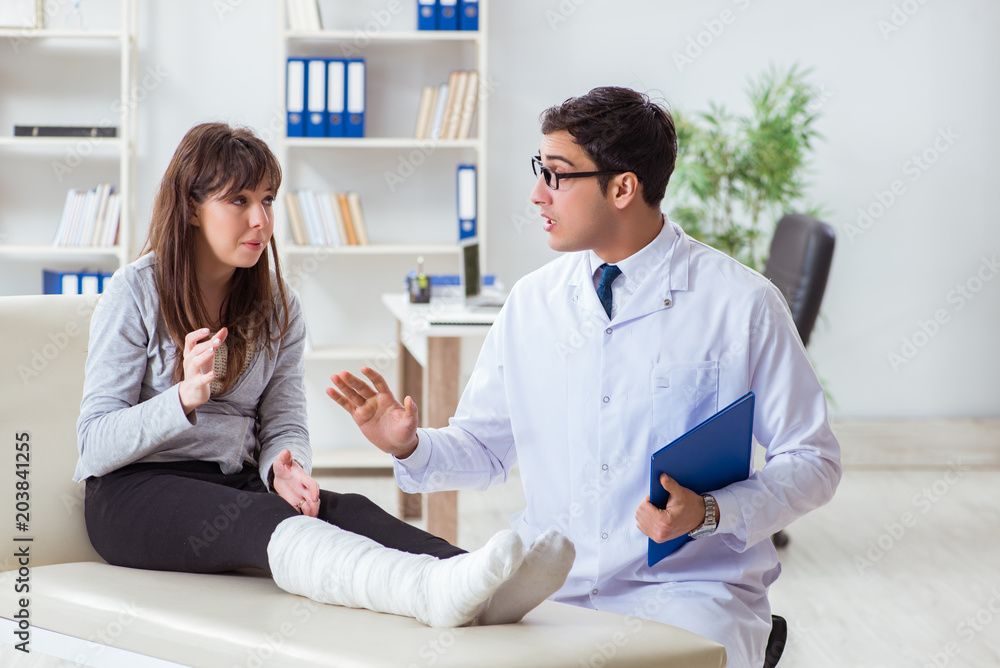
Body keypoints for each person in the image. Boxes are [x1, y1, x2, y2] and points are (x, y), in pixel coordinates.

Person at [327, 87, 842, 666]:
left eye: (557, 176)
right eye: (538, 171)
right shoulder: (532, 304)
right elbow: (484, 448)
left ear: (622, 187)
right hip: (551, 588)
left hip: (689, 591)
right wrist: (411, 445)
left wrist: (712, 512)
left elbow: (814, 460)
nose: (536, 194)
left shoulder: (741, 305)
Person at [74, 122, 574, 628]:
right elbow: (93, 445)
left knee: (347, 508)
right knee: (267, 517)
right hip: (132, 494)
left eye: (267, 201)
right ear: (191, 208)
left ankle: (477, 577)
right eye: (239, 201)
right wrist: (180, 398)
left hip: (233, 484)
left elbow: (285, 424)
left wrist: (282, 470)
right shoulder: (134, 292)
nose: (260, 221)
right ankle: (425, 592)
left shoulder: (277, 306)